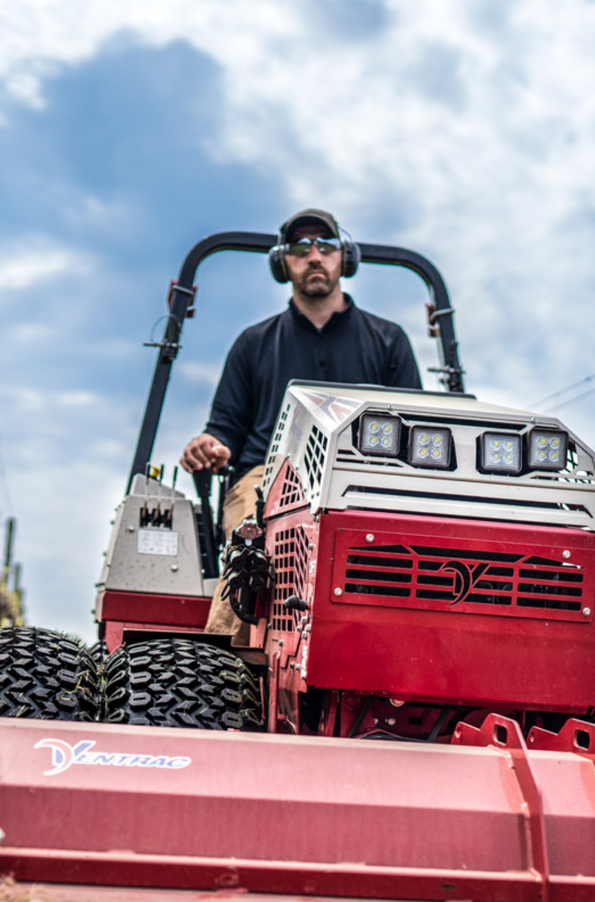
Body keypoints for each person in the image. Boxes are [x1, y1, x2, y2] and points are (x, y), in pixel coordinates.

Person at [180, 207, 423, 636]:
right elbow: (225, 427)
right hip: (266, 477)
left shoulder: (389, 341)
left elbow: (414, 431)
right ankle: (221, 668)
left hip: (368, 482)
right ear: (282, 263)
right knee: (251, 547)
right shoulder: (253, 343)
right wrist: (211, 445)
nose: (314, 256)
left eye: (325, 245)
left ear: (344, 257)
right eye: (299, 247)